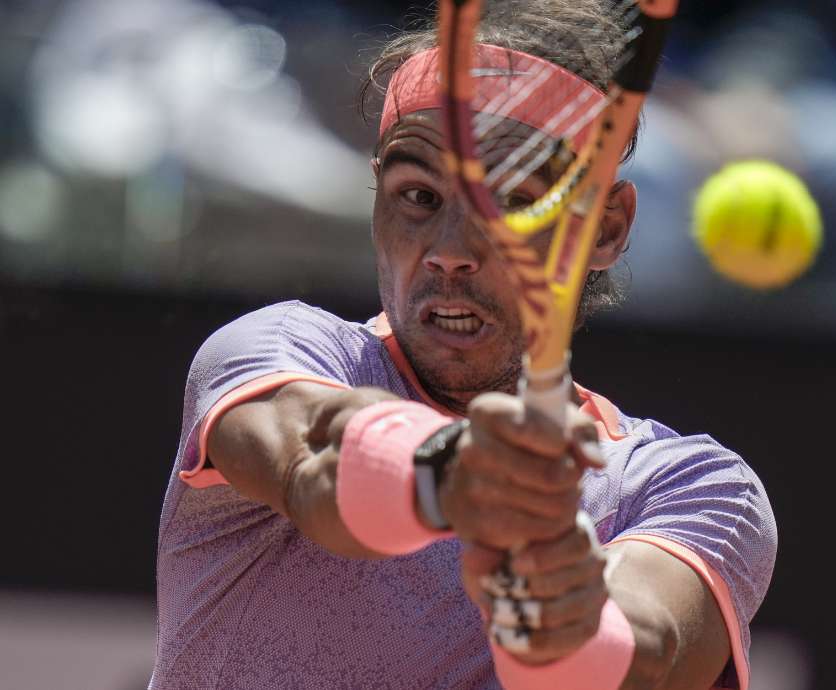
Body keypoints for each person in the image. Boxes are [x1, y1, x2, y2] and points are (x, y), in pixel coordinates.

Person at [149, 2, 776, 689]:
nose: (450, 252)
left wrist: (544, 602)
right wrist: (449, 478)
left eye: (512, 203)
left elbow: (643, 657)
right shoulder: (277, 350)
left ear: (606, 227)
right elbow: (315, 462)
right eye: (417, 195)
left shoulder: (691, 488)